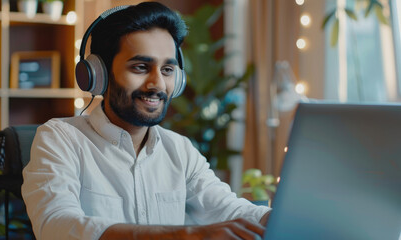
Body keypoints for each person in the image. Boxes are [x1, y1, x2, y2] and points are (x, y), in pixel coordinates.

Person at [21, 2, 271, 239]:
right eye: (140, 67)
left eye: (168, 70)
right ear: (99, 75)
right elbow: (55, 226)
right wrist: (186, 236)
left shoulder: (180, 150)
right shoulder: (60, 138)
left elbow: (232, 211)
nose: (158, 84)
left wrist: (285, 218)